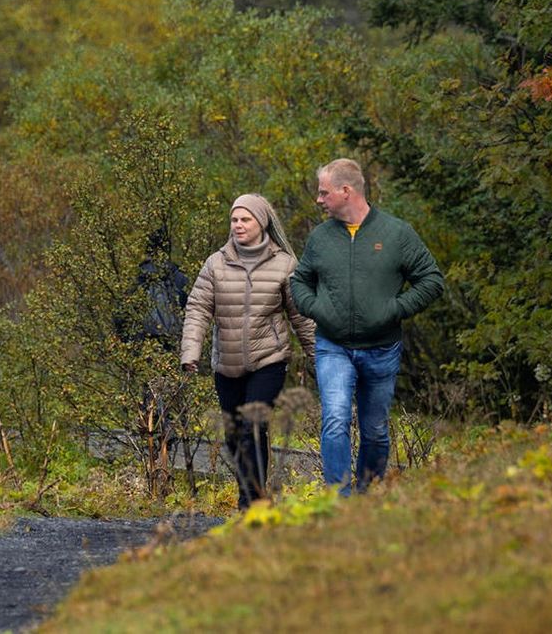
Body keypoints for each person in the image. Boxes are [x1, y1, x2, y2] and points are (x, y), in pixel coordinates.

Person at [290, 158, 444, 494]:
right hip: (333, 346)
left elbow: (432, 280)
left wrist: (396, 309)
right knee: (334, 420)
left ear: (346, 191)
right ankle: (338, 502)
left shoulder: (396, 233)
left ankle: (365, 494)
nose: (318, 199)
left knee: (375, 430)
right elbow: (299, 281)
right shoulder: (320, 238)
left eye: (323, 192)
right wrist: (316, 308)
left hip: (381, 348)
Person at [180, 194, 316, 509]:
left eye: (245, 219)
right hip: (226, 362)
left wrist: (317, 357)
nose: (238, 225)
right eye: (234, 220)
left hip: (268, 359)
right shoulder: (216, 262)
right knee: (233, 433)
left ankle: (251, 501)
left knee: (254, 427)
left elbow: (300, 315)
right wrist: (191, 352)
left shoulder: (284, 263)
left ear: (262, 223)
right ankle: (249, 490)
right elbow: (198, 308)